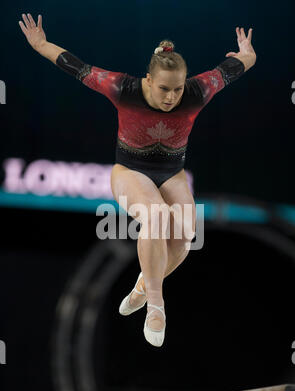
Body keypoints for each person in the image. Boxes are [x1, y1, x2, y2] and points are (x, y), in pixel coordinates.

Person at [19, 13, 257, 347]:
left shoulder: (198, 91)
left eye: (177, 89)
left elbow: (239, 66)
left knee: (187, 234)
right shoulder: (122, 88)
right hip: (130, 172)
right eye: (163, 88)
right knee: (156, 216)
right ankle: (156, 307)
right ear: (148, 79)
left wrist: (247, 52)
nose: (171, 97)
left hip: (172, 174)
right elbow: (78, 67)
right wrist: (41, 44)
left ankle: (143, 286)